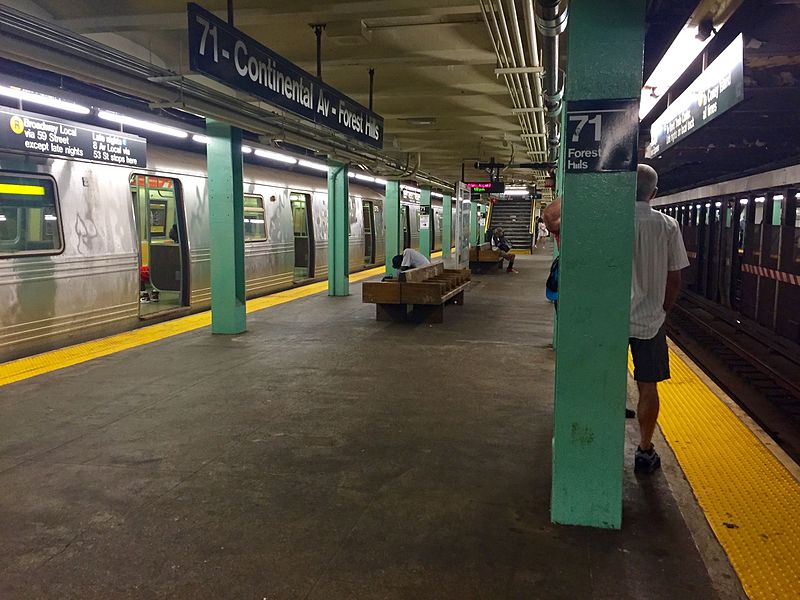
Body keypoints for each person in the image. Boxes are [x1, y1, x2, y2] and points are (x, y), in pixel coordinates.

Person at [628, 164, 689, 473]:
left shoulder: (611, 221)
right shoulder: (667, 226)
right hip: (651, 320)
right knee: (648, 384)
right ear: (653, 193)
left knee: (606, 378)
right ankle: (645, 448)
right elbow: (674, 276)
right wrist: (663, 307)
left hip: (612, 318)